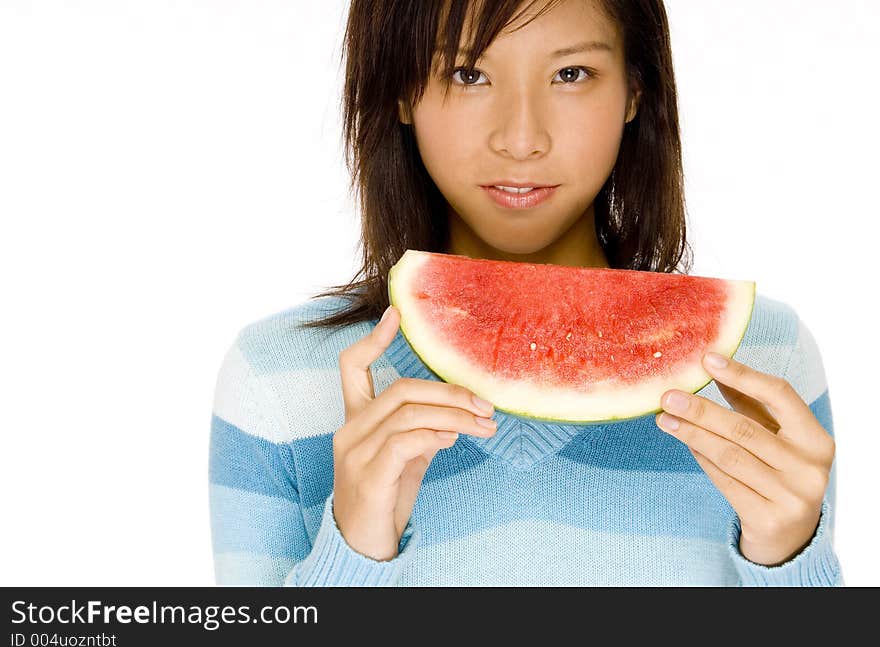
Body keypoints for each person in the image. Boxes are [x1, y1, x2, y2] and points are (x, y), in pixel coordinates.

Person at [208, 0, 843, 586]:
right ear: (401, 89)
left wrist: (789, 559)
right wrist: (355, 553)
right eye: (467, 73)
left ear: (635, 90)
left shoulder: (762, 365)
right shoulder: (278, 383)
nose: (520, 139)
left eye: (571, 74)